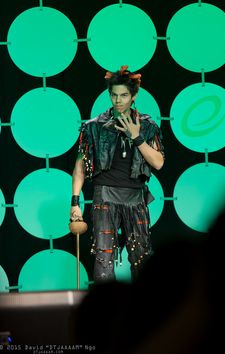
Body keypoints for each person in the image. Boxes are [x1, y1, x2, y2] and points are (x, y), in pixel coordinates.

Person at [70, 65, 165, 283]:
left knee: (141, 258)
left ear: (134, 96)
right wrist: (75, 202)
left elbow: (158, 163)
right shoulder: (93, 127)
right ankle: (104, 313)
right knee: (103, 260)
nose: (118, 100)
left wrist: (137, 137)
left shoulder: (148, 126)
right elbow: (79, 168)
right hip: (104, 196)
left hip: (135, 198)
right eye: (114, 95)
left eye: (124, 95)